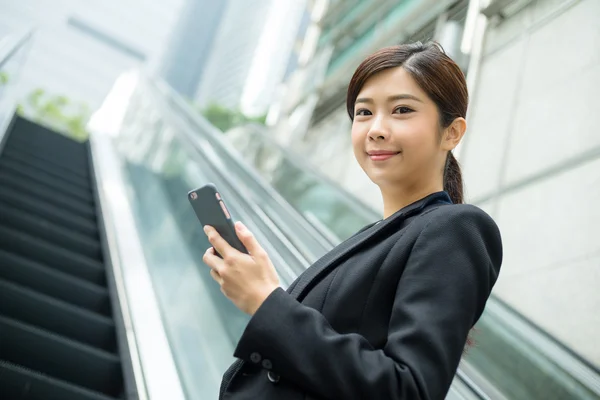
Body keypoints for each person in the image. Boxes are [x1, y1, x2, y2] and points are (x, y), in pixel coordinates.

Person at [202, 41, 503, 400]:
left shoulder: (456, 229)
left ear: (451, 132)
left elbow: (409, 390)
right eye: (363, 113)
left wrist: (266, 302)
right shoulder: (375, 238)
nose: (376, 128)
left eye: (402, 110)